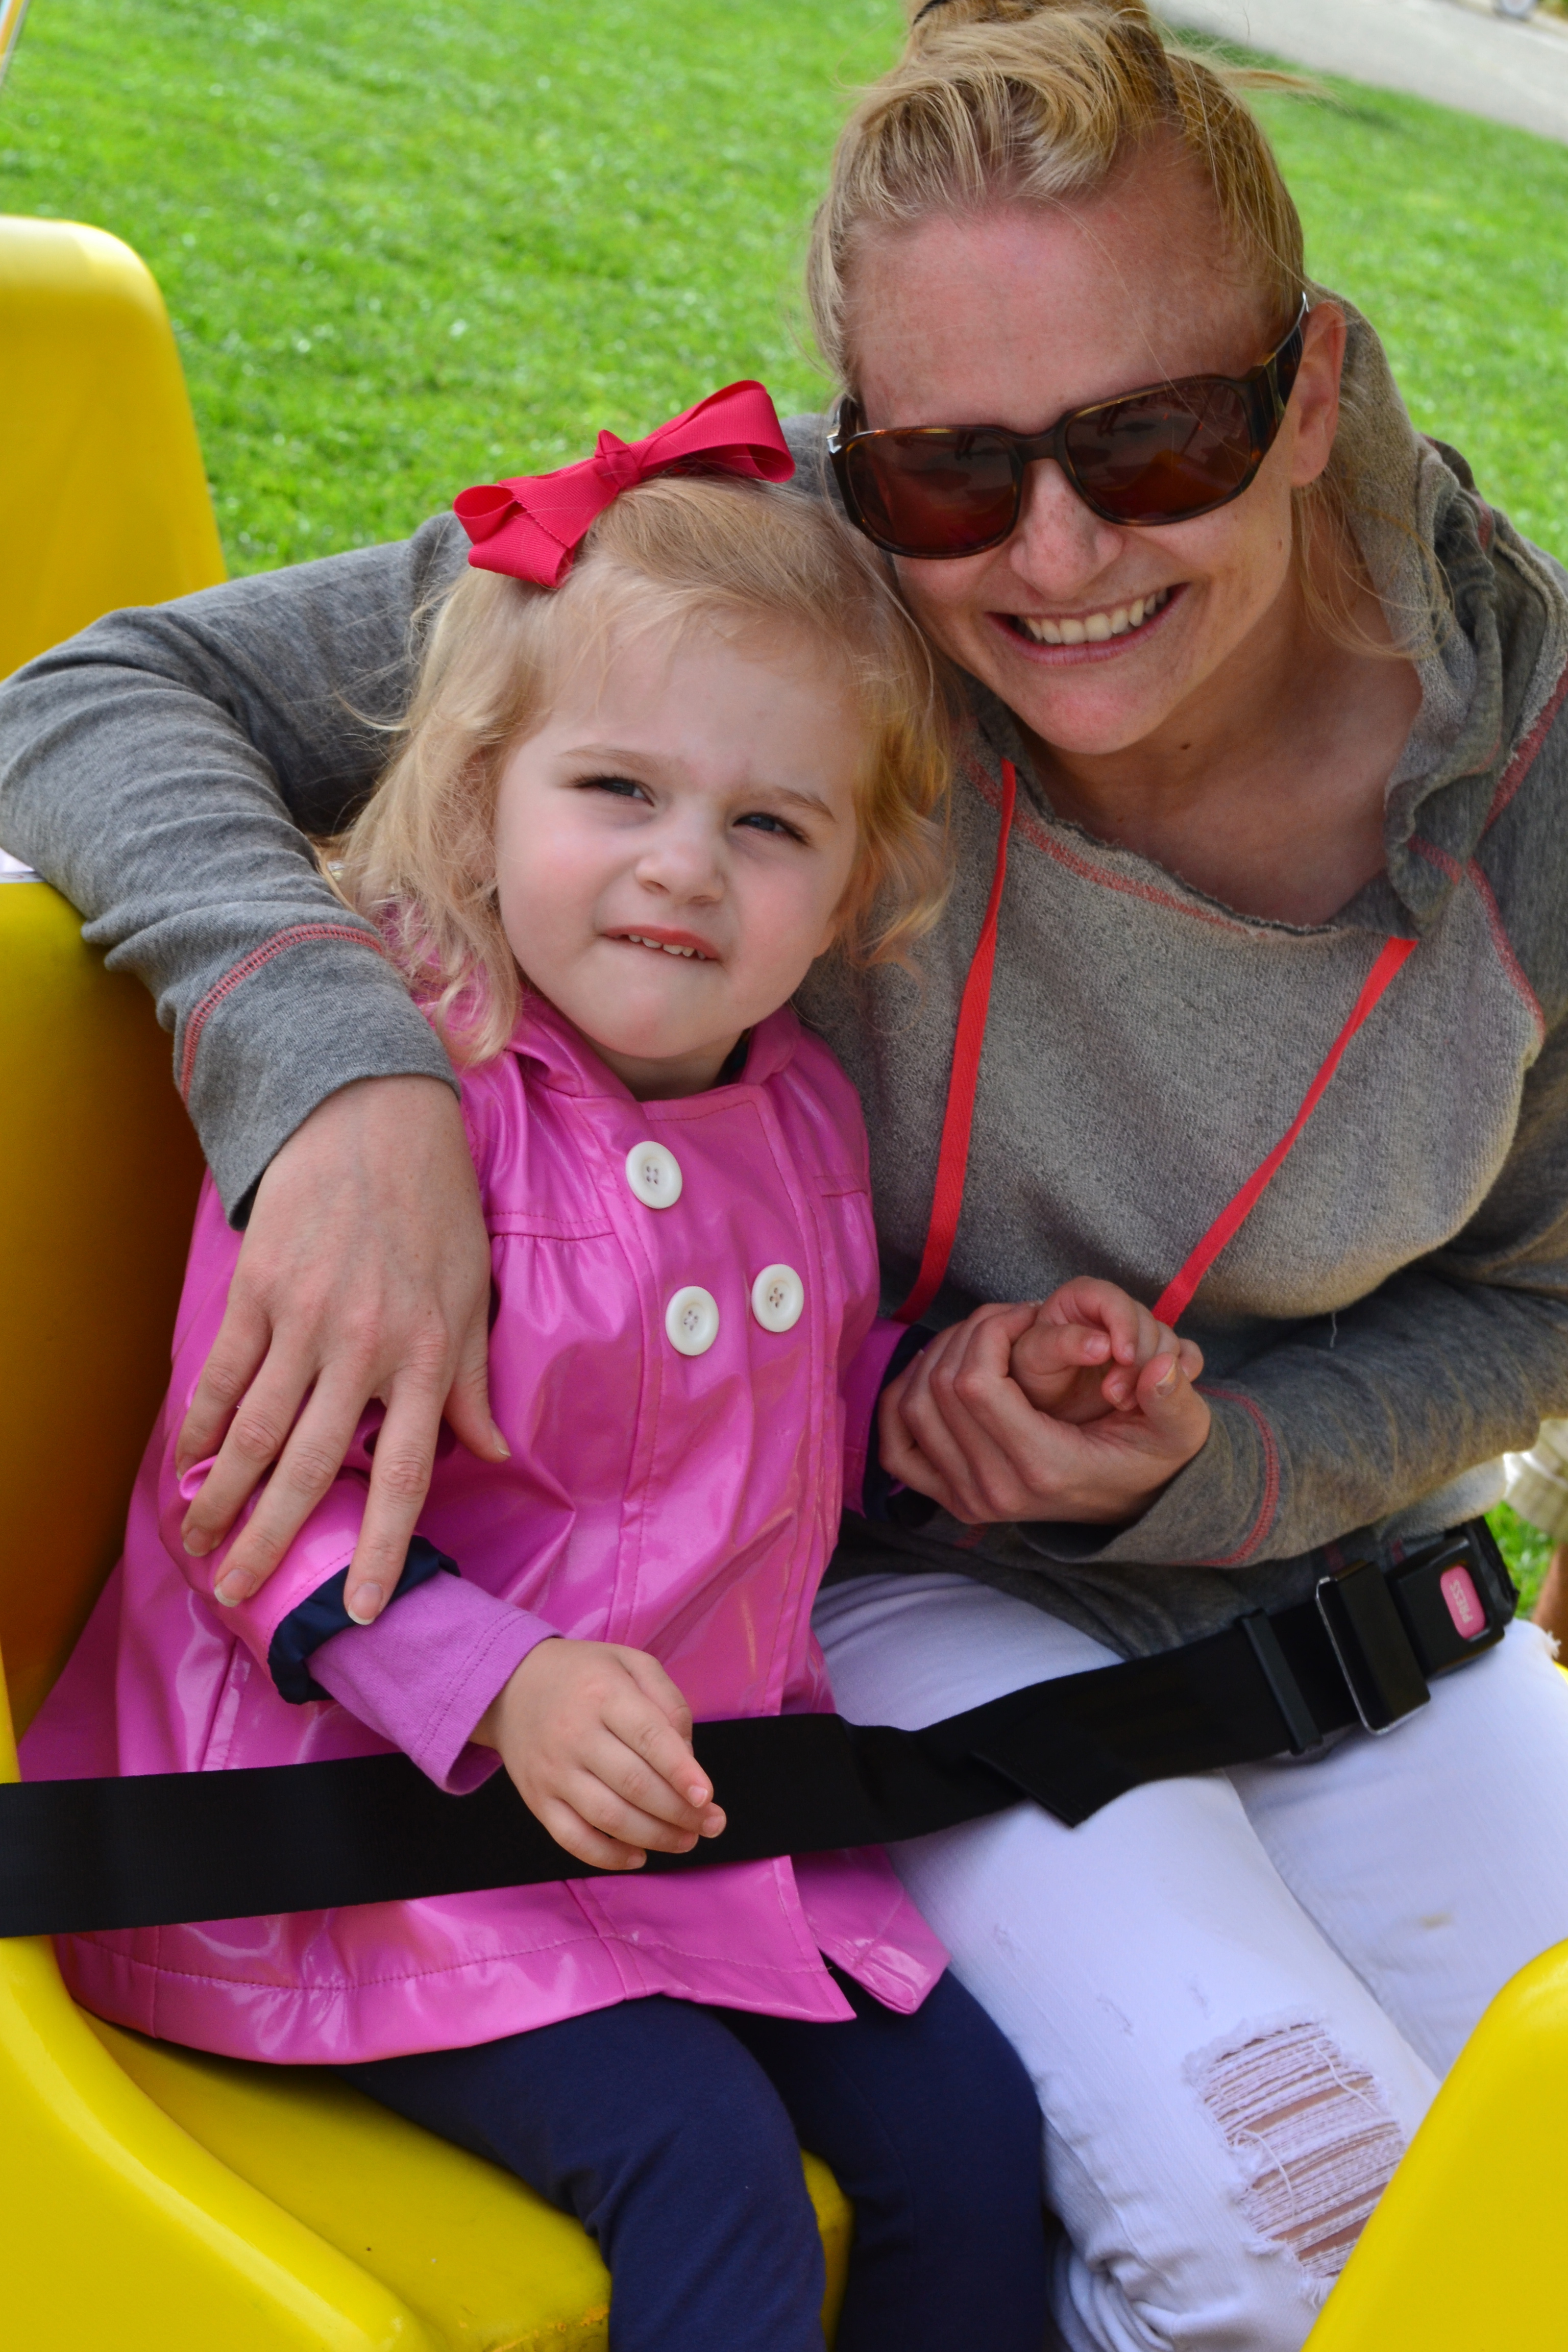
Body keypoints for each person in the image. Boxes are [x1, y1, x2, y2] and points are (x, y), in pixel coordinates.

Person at [6, 3, 1568, 2345]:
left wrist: (1170, 1448)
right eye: (950, 471)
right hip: (768, 1650)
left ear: (1311, 379)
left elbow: (1540, 1292)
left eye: (1156, 439)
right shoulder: (770, 607)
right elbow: (94, 697)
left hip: (1303, 1595)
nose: (1058, 552)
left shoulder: (1529, 776)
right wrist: (339, 1075)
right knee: (1281, 2202)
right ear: (858, 449)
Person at [16, 404, 1071, 2352]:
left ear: (860, 888)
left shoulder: (802, 1115)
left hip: (679, 1834)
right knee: (709, 2172)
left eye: (771, 826)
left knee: (967, 2137)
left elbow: (765, 1433)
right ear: (479, 793)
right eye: (617, 789)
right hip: (354, 1849)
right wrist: (502, 1685)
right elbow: (247, 1503)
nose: (685, 868)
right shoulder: (400, 1114)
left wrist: (942, 1407)